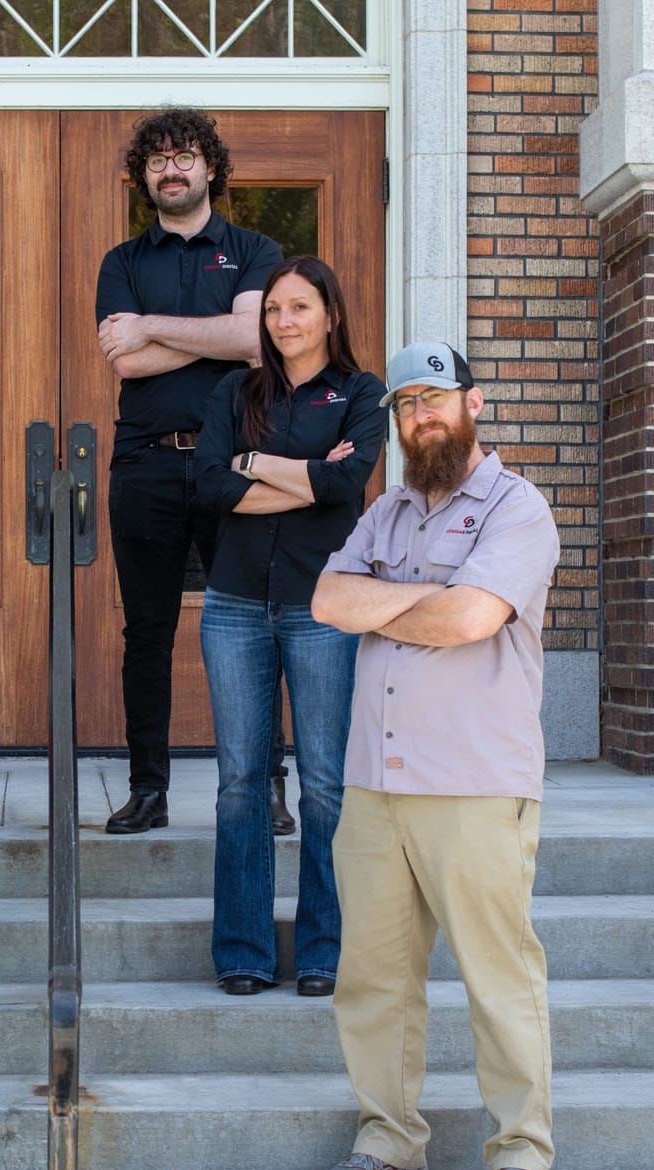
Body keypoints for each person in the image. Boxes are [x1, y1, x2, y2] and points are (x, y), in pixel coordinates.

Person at [308, 342, 562, 1170]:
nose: (421, 414)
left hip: (476, 783)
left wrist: (397, 603)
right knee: (373, 977)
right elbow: (328, 601)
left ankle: (522, 1151)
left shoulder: (517, 510)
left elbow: (473, 618)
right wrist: (430, 601)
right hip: (376, 784)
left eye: (436, 397)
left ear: (474, 403)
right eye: (407, 402)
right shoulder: (386, 512)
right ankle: (390, 1143)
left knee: (499, 974)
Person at [191, 257, 385, 998]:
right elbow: (210, 484)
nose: (284, 322)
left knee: (326, 784)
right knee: (241, 781)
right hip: (235, 603)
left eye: (299, 307)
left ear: (330, 314)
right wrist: (294, 473)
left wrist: (257, 468)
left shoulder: (361, 393)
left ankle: (323, 949)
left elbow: (346, 486)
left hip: (322, 607)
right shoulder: (233, 391)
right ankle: (242, 949)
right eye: (274, 309)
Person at [96, 106, 291, 836]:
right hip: (144, 465)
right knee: (146, 633)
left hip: (235, 463)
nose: (171, 170)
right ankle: (149, 789)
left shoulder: (252, 248)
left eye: (184, 157)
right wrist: (211, 335)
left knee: (249, 625)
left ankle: (266, 786)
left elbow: (255, 339)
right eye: (157, 162)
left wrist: (153, 324)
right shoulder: (123, 262)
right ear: (144, 177)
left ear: (211, 167)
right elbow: (125, 357)